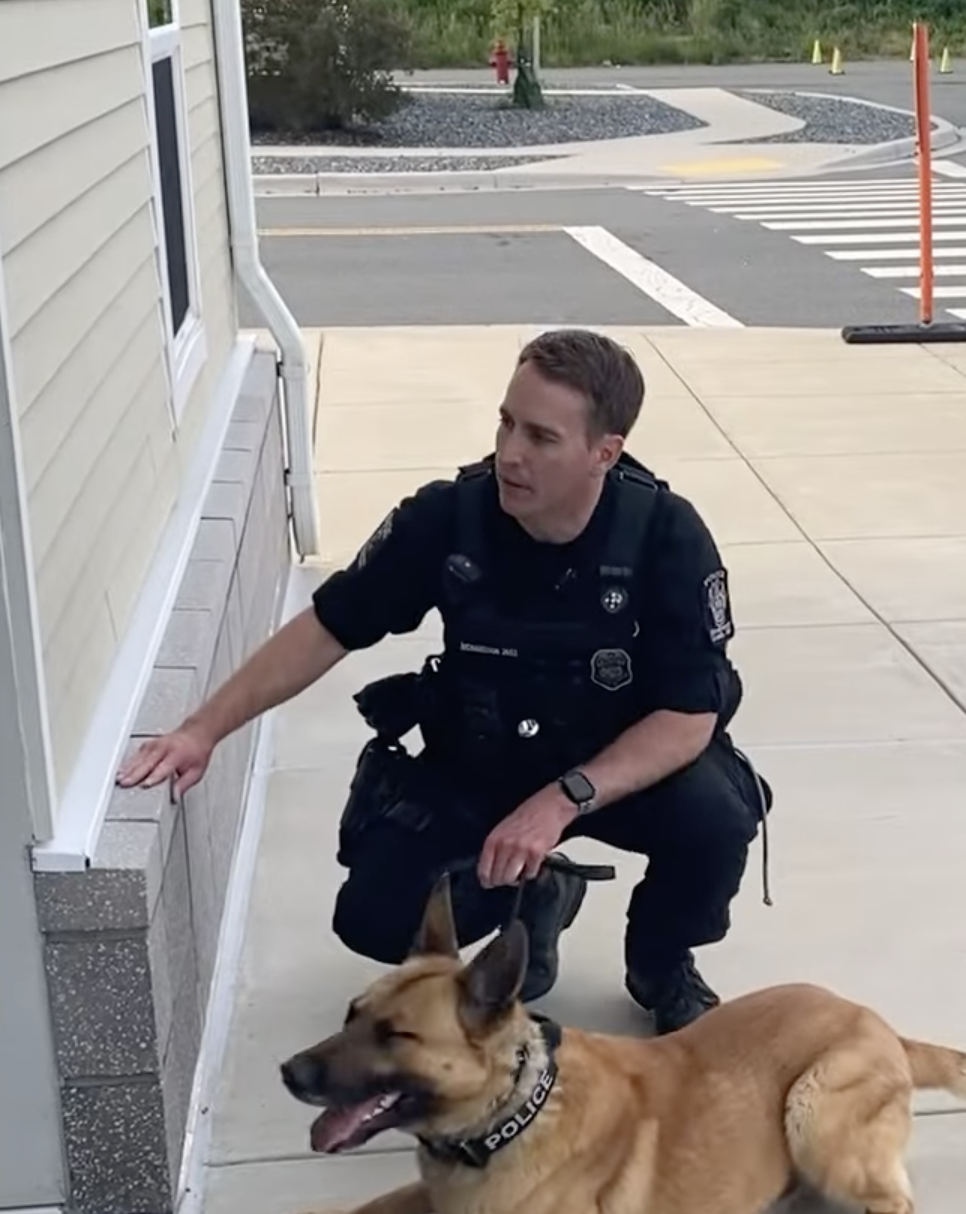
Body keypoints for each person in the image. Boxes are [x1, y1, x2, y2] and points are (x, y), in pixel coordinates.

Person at [116, 327, 772, 1035]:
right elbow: (330, 625)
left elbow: (688, 716)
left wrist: (561, 800)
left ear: (603, 453)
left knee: (717, 816)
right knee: (374, 917)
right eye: (506, 422)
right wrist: (201, 729)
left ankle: (661, 963)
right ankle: (538, 892)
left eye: (541, 438)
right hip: (482, 761)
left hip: (606, 768)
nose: (510, 453)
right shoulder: (447, 519)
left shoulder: (665, 537)